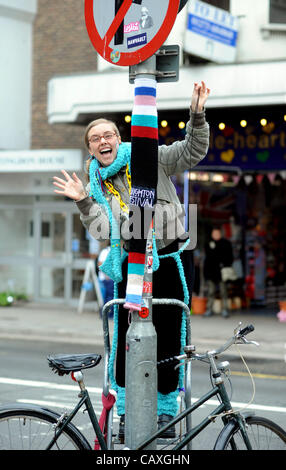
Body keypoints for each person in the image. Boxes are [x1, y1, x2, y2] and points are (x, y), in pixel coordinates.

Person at [53, 80, 210, 439]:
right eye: (95, 138)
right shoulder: (94, 185)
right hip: (131, 265)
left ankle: (166, 414)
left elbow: (191, 151)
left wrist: (197, 115)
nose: (103, 141)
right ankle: (127, 412)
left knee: (170, 335)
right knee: (127, 339)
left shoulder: (147, 155)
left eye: (108, 134)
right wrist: (83, 200)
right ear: (90, 149)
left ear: (119, 138)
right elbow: (103, 228)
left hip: (170, 259)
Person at [203, 227, 234, 318]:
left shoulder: (226, 243)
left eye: (217, 233)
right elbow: (208, 258)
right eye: (214, 233)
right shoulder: (208, 243)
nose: (216, 235)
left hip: (222, 272)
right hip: (210, 271)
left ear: (220, 234)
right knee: (210, 291)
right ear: (212, 234)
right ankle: (209, 309)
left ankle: (225, 310)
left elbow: (230, 257)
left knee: (223, 292)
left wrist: (225, 265)